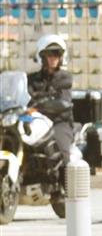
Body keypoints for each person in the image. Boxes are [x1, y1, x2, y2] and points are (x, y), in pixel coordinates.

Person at [27, 33, 76, 164]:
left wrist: (41, 102)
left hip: (59, 122)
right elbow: (24, 98)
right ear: (42, 56)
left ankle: (66, 182)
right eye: (50, 54)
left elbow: (63, 102)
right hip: (35, 122)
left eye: (57, 54)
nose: (53, 58)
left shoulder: (64, 78)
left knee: (62, 151)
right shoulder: (31, 79)